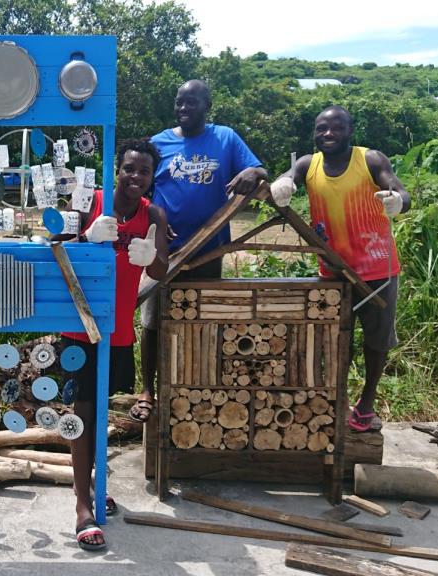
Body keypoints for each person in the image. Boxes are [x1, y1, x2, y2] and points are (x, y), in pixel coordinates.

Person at [269, 105, 411, 432]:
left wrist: (398, 201)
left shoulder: (370, 159)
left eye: (336, 128)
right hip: (332, 271)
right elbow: (287, 179)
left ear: (350, 130)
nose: (328, 134)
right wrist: (282, 184)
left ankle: (367, 402)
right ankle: (337, 398)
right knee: (335, 340)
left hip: (377, 270)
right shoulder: (308, 164)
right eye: (322, 129)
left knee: (376, 341)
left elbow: (400, 190)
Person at [134, 79, 267, 422]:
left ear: (207, 104)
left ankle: (195, 387)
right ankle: (148, 390)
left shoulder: (225, 138)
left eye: (191, 102)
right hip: (165, 251)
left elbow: (261, 170)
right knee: (152, 320)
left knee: (203, 320)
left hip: (209, 249)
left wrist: (251, 173)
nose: (183, 108)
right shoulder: (159, 143)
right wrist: (157, 221)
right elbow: (139, 186)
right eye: (179, 102)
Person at [60, 138, 169, 551]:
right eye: (129, 168)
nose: (135, 177)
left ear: (151, 176)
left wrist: (148, 257)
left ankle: (93, 483)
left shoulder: (152, 214)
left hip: (119, 328)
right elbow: (58, 246)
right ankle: (83, 507)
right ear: (116, 169)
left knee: (100, 409)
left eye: (143, 171)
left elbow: (163, 265)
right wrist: (87, 237)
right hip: (81, 326)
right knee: (83, 410)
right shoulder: (91, 201)